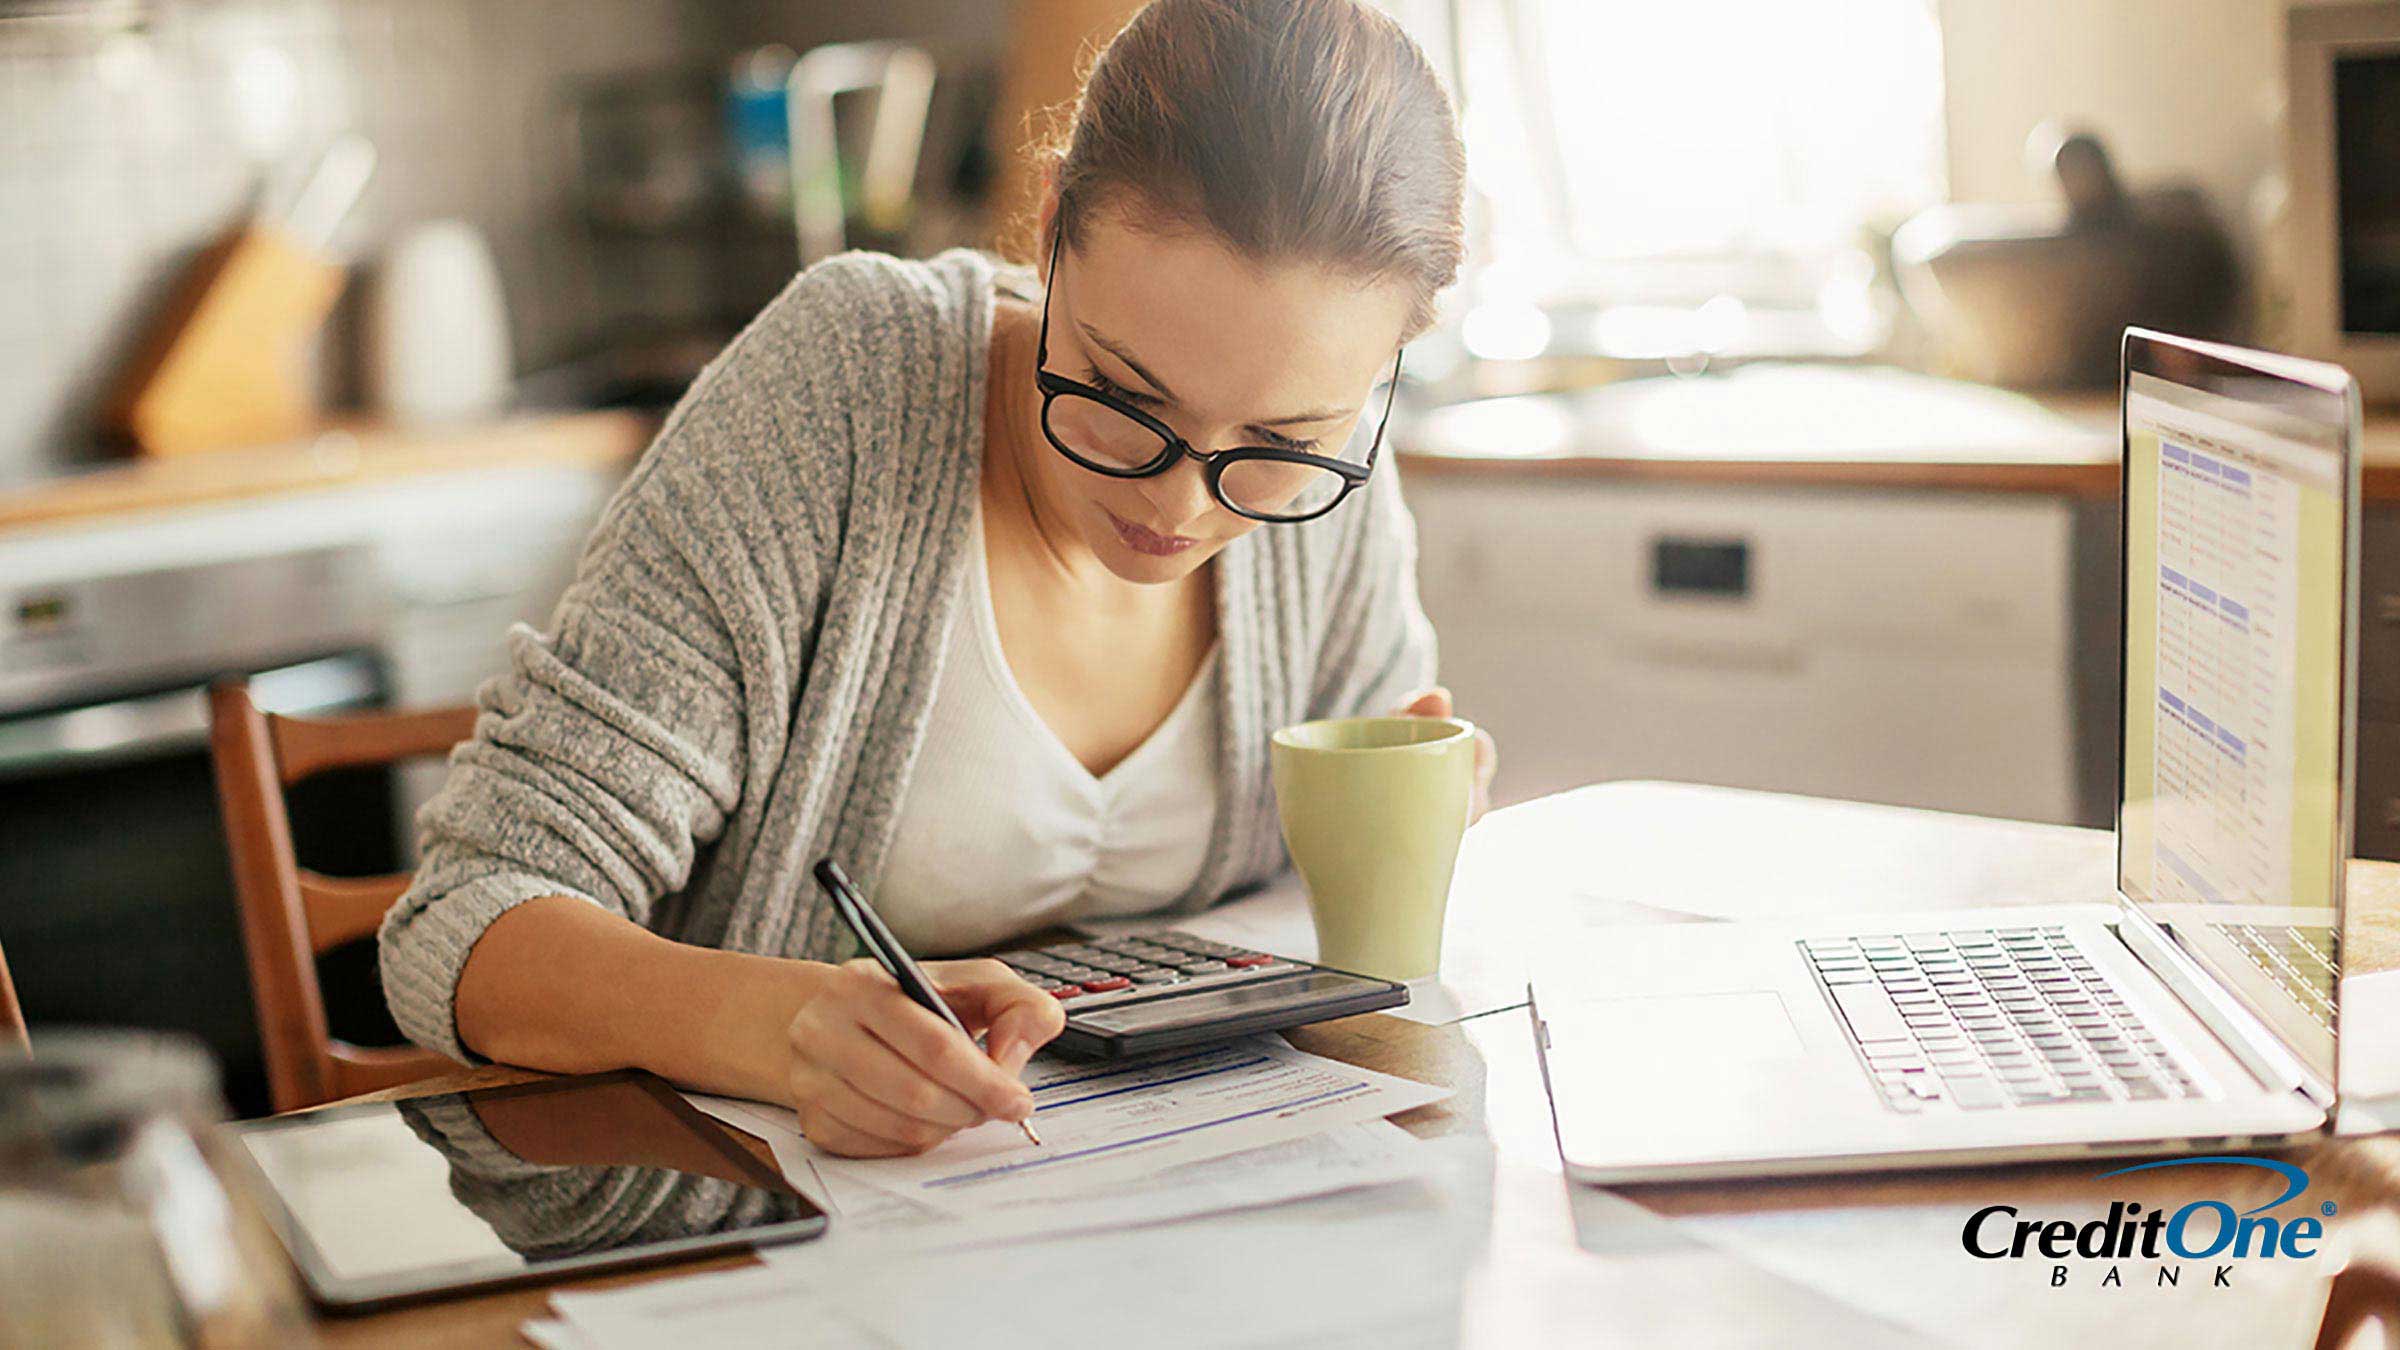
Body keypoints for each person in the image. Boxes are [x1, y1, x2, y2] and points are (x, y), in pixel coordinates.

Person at [380, 0, 1493, 1160]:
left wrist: (1421, 811)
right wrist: (783, 1026)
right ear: (1053, 218)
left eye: (1278, 439)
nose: (1181, 506)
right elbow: (466, 921)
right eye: (1125, 401)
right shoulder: (850, 389)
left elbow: (1354, 911)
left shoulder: (1326, 478)